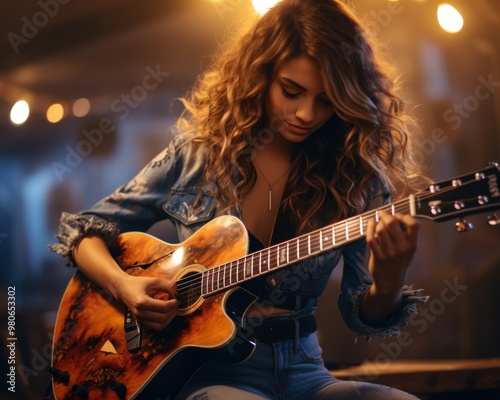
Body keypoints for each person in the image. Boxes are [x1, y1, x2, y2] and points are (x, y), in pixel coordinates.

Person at [50, 0, 429, 398]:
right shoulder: (196, 155)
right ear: (260, 75)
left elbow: (362, 317)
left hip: (305, 372)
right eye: (292, 91)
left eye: (327, 100)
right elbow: (81, 231)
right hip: (205, 375)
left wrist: (389, 282)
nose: (305, 113)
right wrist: (125, 286)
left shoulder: (357, 179)